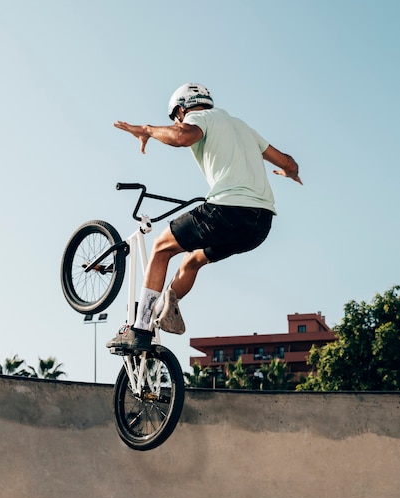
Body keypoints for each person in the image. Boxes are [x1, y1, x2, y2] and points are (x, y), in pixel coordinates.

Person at [107, 83, 302, 352]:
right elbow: (290, 163)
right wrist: (289, 173)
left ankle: (138, 329)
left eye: (177, 117)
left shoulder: (199, 117)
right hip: (260, 224)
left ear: (181, 109)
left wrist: (149, 130)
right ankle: (165, 307)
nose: (179, 121)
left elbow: (183, 136)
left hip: (228, 209)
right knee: (193, 260)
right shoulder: (242, 127)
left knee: (161, 247)